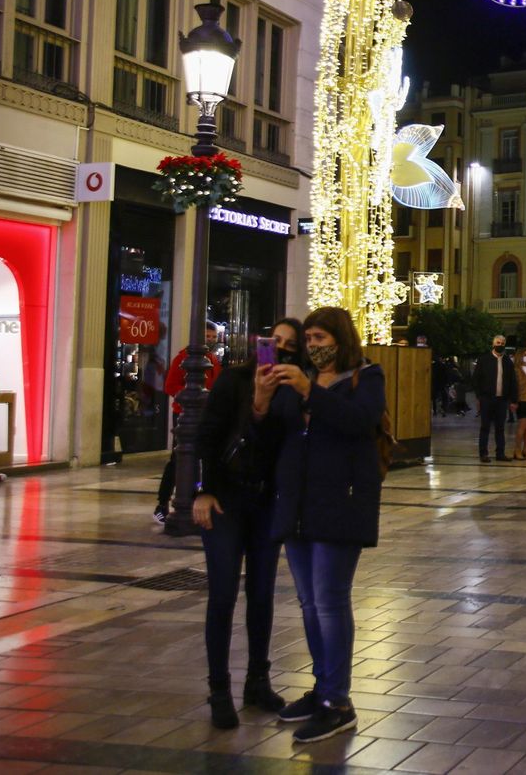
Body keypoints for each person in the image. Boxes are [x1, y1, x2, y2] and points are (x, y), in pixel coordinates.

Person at [257, 306, 385, 743]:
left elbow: (359, 422)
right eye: (308, 339)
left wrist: (311, 390)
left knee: (330, 601)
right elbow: (279, 432)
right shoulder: (298, 380)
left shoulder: (366, 378)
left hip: (340, 504)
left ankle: (339, 701)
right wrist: (262, 399)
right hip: (297, 506)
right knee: (309, 603)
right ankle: (322, 687)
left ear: (340, 339)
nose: (312, 346)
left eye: (319, 338)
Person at [192, 317, 302, 729]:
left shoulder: (294, 393)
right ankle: (219, 689)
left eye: (290, 345)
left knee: (261, 595)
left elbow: (286, 448)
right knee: (222, 594)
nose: (281, 349)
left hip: (265, 503)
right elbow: (207, 436)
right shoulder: (234, 380)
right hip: (225, 499)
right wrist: (202, 490)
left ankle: (258, 681)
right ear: (262, 344)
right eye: (275, 341)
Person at [156, 321, 222, 524]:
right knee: (178, 458)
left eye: (213, 337)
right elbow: (170, 385)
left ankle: (193, 499)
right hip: (184, 415)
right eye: (207, 336)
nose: (210, 340)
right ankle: (162, 503)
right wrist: (187, 397)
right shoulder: (183, 358)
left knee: (201, 458)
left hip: (205, 414)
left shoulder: (212, 360)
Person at [470, 335, 517, 463]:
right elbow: (476, 379)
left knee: (500, 427)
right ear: (493, 344)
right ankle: (483, 453)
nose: (500, 345)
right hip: (487, 399)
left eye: (502, 343)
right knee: (485, 427)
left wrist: (513, 400)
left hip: (502, 400)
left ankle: (500, 453)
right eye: (498, 342)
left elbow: (513, 381)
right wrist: (479, 396)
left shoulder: (507, 361)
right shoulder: (484, 360)